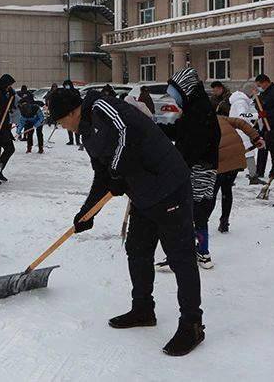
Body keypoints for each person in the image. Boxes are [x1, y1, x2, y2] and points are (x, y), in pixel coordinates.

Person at [50, 87, 205, 356]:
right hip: (143, 194)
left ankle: (192, 325)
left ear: (74, 111)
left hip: (168, 186)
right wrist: (88, 213)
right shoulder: (87, 135)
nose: (63, 127)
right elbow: (103, 175)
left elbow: (128, 133)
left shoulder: (102, 106)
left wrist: (118, 172)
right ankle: (143, 309)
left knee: (180, 257)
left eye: (62, 121)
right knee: (137, 249)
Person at [163, 67, 221, 269]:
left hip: (198, 171)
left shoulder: (199, 112)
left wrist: (176, 170)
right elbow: (180, 133)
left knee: (185, 214)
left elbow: (191, 146)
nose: (175, 99)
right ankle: (202, 254)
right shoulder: (196, 108)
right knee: (199, 213)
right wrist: (157, 128)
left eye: (176, 94)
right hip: (205, 168)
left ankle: (181, 257)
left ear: (186, 89)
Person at [214, 116, 264, 232]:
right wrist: (256, 138)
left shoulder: (198, 122)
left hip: (221, 157)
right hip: (236, 155)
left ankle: (202, 224)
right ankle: (224, 221)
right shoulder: (220, 118)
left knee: (211, 193)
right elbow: (241, 122)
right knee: (226, 189)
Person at [229, 82, 262, 184]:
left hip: (239, 129)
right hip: (240, 131)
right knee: (248, 153)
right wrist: (257, 115)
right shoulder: (240, 102)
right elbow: (242, 115)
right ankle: (253, 177)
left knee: (237, 154)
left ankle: (229, 178)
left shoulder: (239, 100)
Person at [59, 80, 82, 146]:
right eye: (65, 85)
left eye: (68, 85)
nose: (67, 86)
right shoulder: (63, 93)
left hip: (75, 110)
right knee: (69, 126)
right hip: (67, 111)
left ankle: (77, 141)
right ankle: (71, 140)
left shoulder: (75, 91)